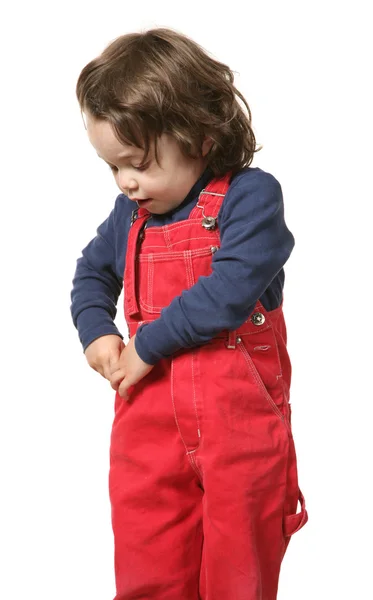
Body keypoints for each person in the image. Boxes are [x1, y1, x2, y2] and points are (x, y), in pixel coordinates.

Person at [70, 27, 308, 600]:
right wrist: (97, 331)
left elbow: (229, 289)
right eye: (114, 168)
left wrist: (146, 345)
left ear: (200, 136)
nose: (127, 182)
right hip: (147, 432)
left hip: (238, 428)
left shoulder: (250, 198)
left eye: (140, 164)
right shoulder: (131, 214)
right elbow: (91, 272)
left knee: (238, 569)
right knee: (148, 558)